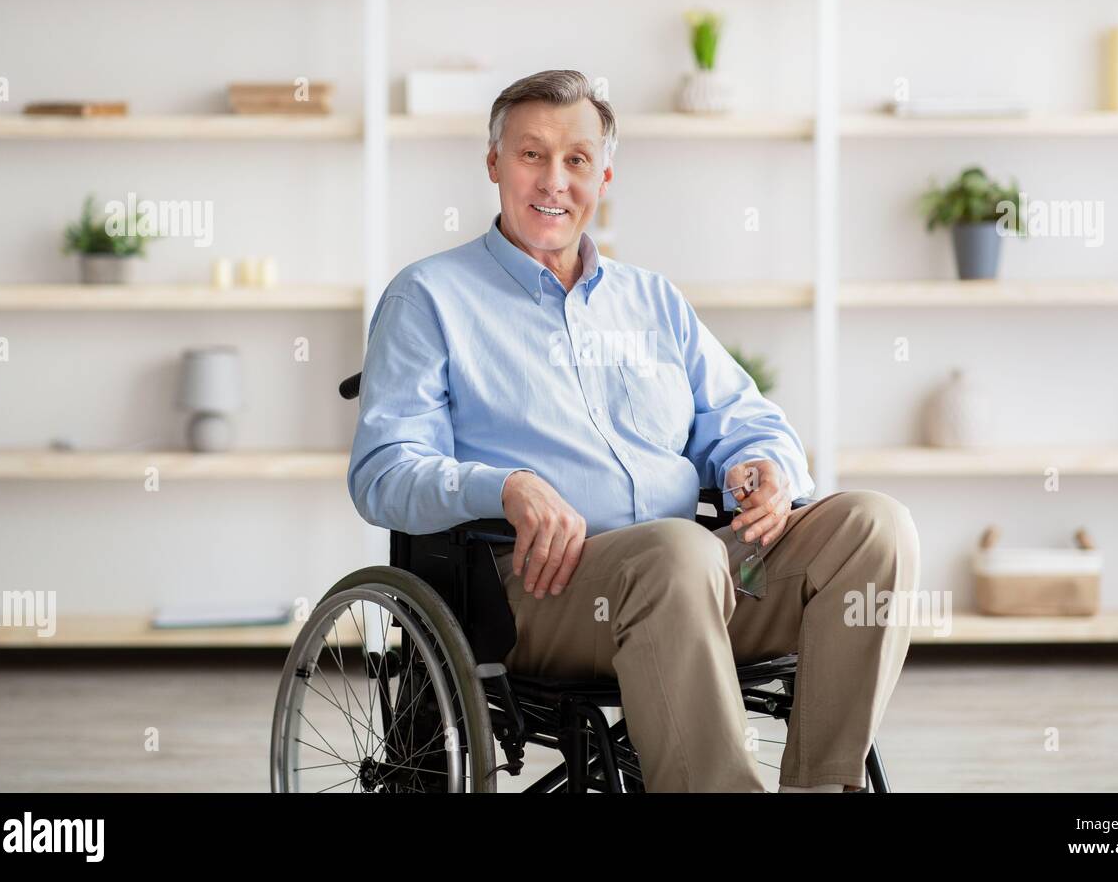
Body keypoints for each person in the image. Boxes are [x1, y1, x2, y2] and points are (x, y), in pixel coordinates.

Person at [349, 69, 920, 792]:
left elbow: (744, 417)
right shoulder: (429, 296)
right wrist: (508, 485)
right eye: (531, 155)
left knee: (876, 525)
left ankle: (820, 785)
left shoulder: (651, 300)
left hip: (705, 577)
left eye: (576, 160)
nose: (554, 181)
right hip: (538, 590)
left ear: (604, 175)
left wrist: (763, 463)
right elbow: (381, 471)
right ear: (494, 163)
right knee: (677, 551)